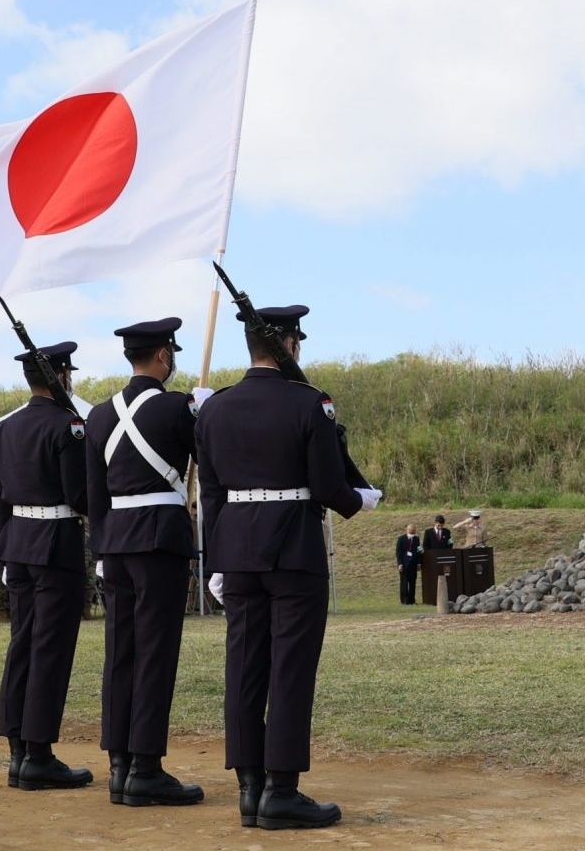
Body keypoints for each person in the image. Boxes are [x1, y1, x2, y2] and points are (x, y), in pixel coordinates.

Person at [196, 304, 380, 830]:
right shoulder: (310, 403)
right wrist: (358, 501)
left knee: (244, 670)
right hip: (293, 549)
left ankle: (250, 789)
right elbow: (326, 486)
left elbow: (210, 493)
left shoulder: (215, 409)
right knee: (290, 669)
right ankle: (282, 790)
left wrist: (216, 554)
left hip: (236, 550)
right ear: (289, 345)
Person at [84, 316, 209, 806]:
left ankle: (118, 764)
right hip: (159, 539)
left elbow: (95, 494)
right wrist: (202, 412)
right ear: (163, 356)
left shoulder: (97, 416)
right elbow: (210, 460)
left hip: (115, 542)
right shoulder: (178, 409)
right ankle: (146, 768)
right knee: (155, 653)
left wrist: (99, 549)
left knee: (121, 652)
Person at [0, 340, 92, 790]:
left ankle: (18, 749)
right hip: (55, 545)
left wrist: (3, 550)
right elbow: (79, 496)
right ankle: (39, 753)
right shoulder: (67, 426)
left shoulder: (6, 428)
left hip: (18, 543)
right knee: (50, 649)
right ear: (62, 376)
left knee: (23, 644)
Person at [395, 523, 423, 605]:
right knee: (404, 583)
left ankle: (412, 600)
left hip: (413, 564)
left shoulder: (416, 539)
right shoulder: (401, 539)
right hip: (404, 564)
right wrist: (400, 564)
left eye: (413, 531)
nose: (412, 533)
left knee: (412, 583)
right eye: (411, 531)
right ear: (407, 530)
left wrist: (418, 563)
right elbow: (398, 552)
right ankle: (404, 600)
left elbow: (418, 552)